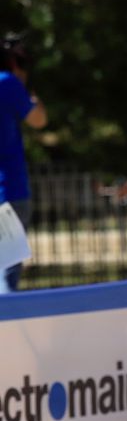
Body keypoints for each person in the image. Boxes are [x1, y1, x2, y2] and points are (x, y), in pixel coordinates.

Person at [1, 33, 47, 291]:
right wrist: (32, 97)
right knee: (5, 279)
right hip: (7, 194)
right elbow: (38, 120)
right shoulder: (7, 83)